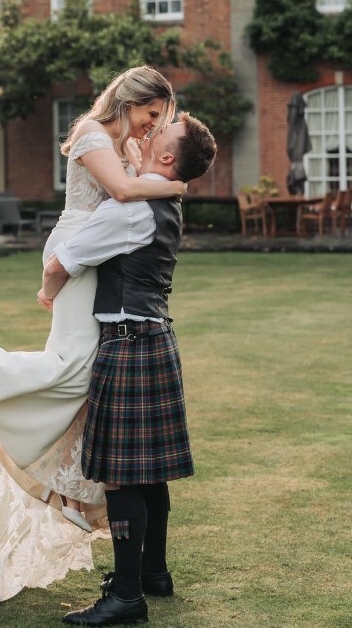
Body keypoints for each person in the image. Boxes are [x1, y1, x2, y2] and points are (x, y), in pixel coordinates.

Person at [0, 66, 186, 607]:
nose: (153, 126)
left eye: (160, 121)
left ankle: (74, 490)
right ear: (130, 100)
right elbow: (124, 191)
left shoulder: (126, 143)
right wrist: (176, 183)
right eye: (151, 114)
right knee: (73, 370)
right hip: (78, 251)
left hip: (95, 257)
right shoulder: (93, 134)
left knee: (87, 379)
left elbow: (131, 193)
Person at [40, 112, 217, 626]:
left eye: (161, 133)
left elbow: (62, 262)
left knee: (120, 478)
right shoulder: (164, 202)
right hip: (154, 337)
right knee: (150, 472)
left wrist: (46, 293)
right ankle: (153, 573)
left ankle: (126, 597)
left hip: (127, 344)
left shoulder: (131, 210)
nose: (151, 131)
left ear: (167, 156)